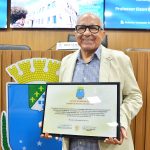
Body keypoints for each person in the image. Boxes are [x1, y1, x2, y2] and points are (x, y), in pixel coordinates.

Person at [41, 12, 143, 150]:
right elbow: (65, 100)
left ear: (102, 33)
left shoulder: (120, 59)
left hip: (109, 145)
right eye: (81, 28)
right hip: (74, 145)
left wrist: (120, 121)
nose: (87, 33)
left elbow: (134, 96)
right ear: (75, 33)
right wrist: (52, 121)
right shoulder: (66, 62)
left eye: (93, 28)